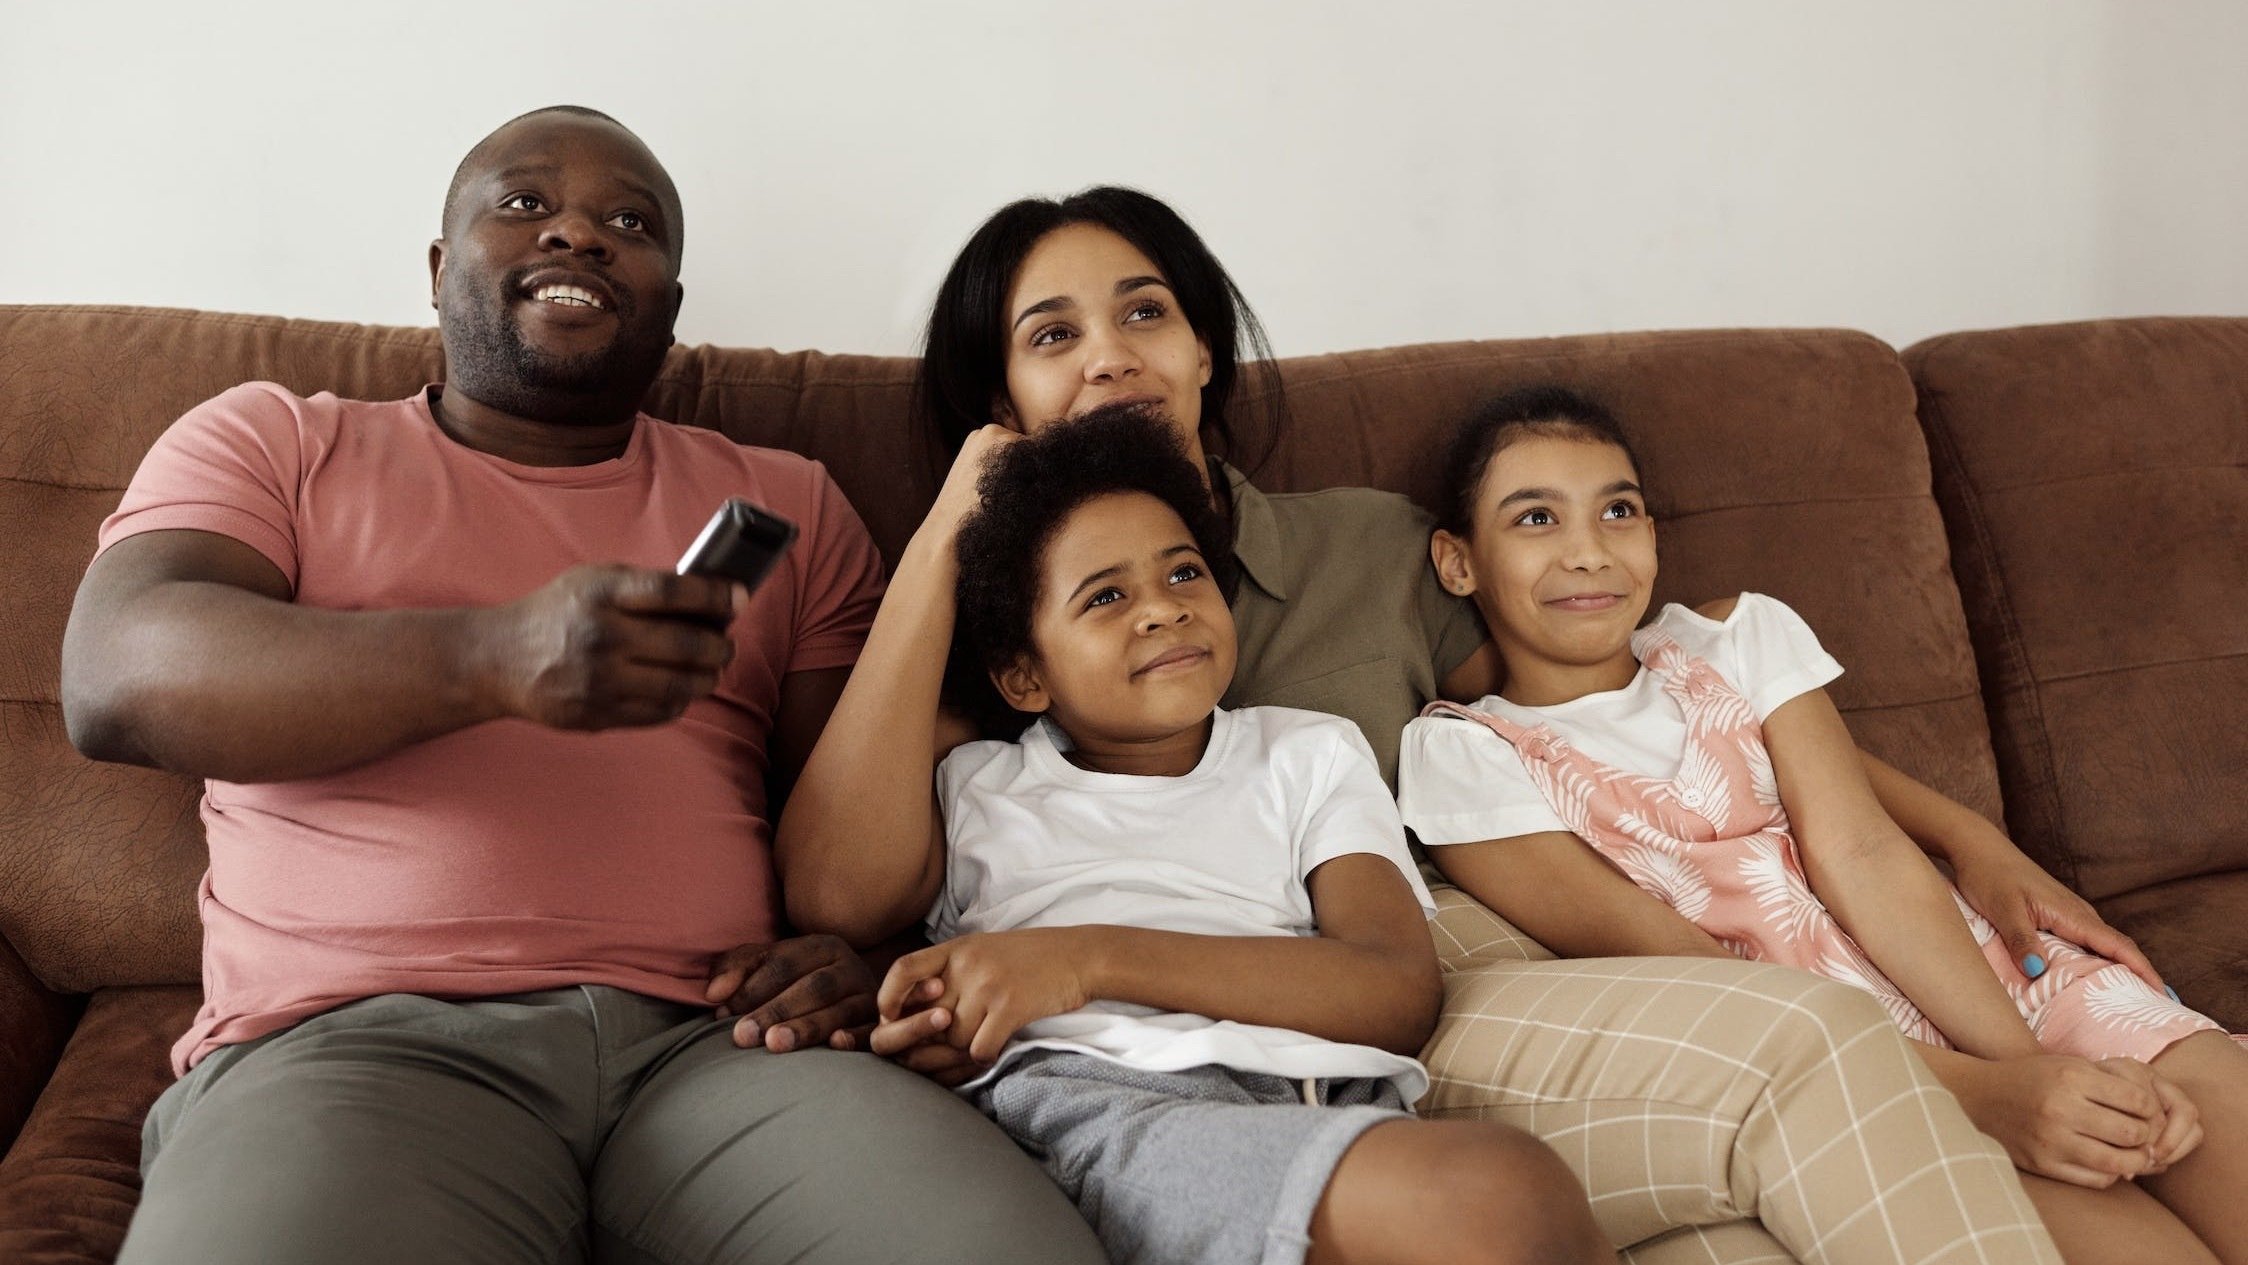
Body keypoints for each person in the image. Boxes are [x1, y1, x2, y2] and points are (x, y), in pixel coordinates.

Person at [778, 185, 2067, 1262]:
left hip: (1460, 940)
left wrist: (1971, 835)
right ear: (998, 394)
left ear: (1204, 349)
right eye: (1050, 334)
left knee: (1784, 1097)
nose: (1110, 353)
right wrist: (957, 516)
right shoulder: (992, 653)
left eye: (1145, 312)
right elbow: (841, 889)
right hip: (1200, 1053)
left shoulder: (1375, 549)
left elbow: (1634, 687)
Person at [58, 105, 1102, 1264]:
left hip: (725, 1046)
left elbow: (858, 823)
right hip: (358, 1046)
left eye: (629, 222)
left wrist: (866, 952)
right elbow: (115, 674)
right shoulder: (277, 442)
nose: (579, 236)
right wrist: (493, 656)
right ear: (441, 267)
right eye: (523, 206)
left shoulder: (787, 501)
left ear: (669, 307)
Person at [1398, 384, 2248, 1264]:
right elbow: (1693, 979)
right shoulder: (1465, 756)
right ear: (1458, 562)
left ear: (1653, 536)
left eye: (1619, 509)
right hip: (1853, 1083)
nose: (1588, 553)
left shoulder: (1736, 637)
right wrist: (1992, 1097)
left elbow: (1865, 852)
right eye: (1535, 519)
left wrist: (2034, 1067)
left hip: (1996, 988)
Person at [848, 405, 1610, 1264]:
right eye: (1105, 596)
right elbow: (848, 906)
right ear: (1025, 674)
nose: (1163, 611)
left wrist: (1084, 959)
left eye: (1184, 574)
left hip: (1331, 1093)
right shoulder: (978, 784)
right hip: (1113, 1105)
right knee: (1501, 1194)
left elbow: (1396, 989)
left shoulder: (1308, 751)